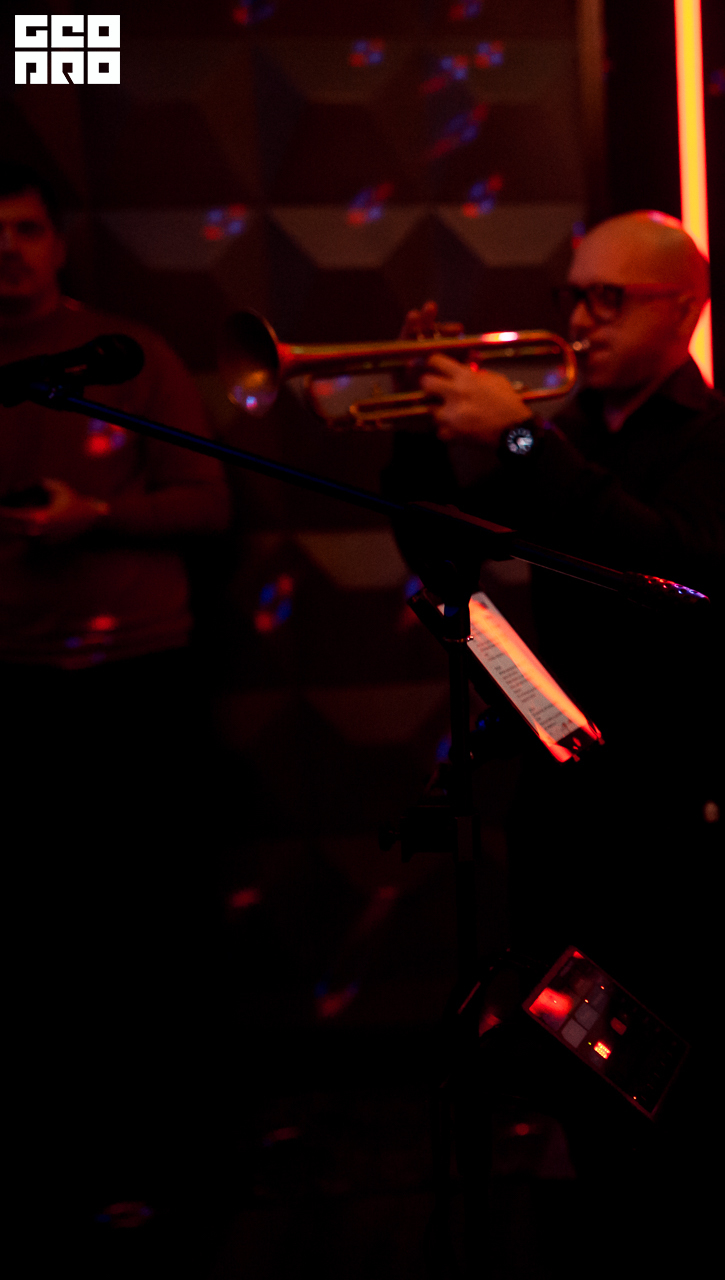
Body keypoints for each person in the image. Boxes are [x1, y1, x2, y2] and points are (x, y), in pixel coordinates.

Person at [380, 210, 725, 1237]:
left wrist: (521, 437)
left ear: (682, 312)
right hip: (565, 801)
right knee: (576, 1050)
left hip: (670, 813)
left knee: (666, 1075)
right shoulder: (569, 440)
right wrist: (421, 429)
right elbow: (442, 555)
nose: (580, 321)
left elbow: (668, 561)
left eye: (609, 299)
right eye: (573, 297)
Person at [0, 161, 231, 1241]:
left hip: (135, 682)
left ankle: (164, 1164)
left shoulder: (126, 354)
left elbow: (207, 501)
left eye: (24, 228)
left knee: (147, 931)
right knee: (39, 944)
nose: (7, 250)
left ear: (57, 242)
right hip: (16, 686)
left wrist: (94, 517)